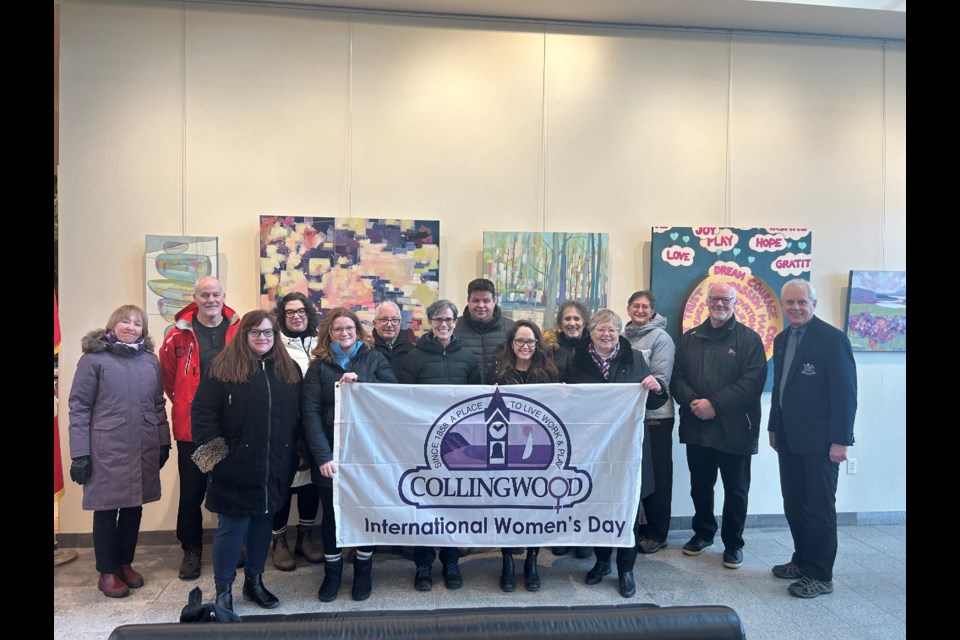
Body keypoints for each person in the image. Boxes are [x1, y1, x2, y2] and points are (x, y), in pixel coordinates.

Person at [190, 310, 303, 612]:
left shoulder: (289, 370)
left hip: (274, 463)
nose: (262, 338)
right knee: (232, 527)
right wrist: (217, 457)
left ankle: (255, 581)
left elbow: (298, 418)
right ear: (243, 335)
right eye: (255, 332)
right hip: (233, 464)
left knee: (263, 524)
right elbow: (202, 414)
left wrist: (297, 454)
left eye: (268, 332)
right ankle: (223, 589)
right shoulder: (222, 368)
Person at [564, 309, 668, 598]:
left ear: (619, 332)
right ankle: (601, 562)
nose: (606, 335)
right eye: (600, 330)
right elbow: (570, 401)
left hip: (628, 448)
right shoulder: (577, 361)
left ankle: (625, 568)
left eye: (612, 329)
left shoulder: (634, 358)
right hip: (594, 448)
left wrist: (656, 386)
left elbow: (654, 399)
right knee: (598, 504)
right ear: (591, 333)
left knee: (627, 508)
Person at [68, 305, 171, 598]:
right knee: (105, 509)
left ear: (143, 330)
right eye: (125, 321)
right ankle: (107, 572)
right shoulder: (94, 360)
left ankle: (125, 563)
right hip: (106, 449)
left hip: (142, 444)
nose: (131, 326)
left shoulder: (150, 361)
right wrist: (80, 453)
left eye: (137, 323)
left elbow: (157, 404)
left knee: (132, 508)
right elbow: (79, 407)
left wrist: (163, 441)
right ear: (112, 325)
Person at [302, 308, 399, 603]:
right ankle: (332, 573)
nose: (344, 334)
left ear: (358, 330)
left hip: (367, 451)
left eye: (349, 329)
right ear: (328, 333)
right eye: (338, 329)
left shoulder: (373, 358)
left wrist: (363, 385)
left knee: (365, 510)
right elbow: (310, 414)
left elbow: (395, 393)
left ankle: (363, 571)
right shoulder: (318, 367)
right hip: (331, 453)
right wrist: (322, 456)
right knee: (331, 514)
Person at [768, 279, 857, 599]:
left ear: (814, 304)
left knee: (819, 507)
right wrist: (773, 427)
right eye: (789, 302)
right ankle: (802, 559)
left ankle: (820, 575)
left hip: (821, 443)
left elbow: (846, 395)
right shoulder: (780, 339)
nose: (795, 307)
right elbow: (780, 390)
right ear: (781, 304)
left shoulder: (832, 340)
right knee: (794, 503)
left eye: (801, 302)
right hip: (788, 440)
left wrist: (841, 441)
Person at [671, 281, 766, 570]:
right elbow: (676, 377)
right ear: (707, 301)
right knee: (701, 485)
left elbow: (752, 383)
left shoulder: (749, 340)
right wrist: (693, 403)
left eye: (726, 299)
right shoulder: (690, 338)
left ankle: (733, 543)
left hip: (736, 428)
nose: (720, 304)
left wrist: (714, 404)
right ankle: (703, 533)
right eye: (715, 299)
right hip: (697, 425)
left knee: (736, 489)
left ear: (735, 302)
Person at [396, 299, 481, 591]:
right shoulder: (414, 357)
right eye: (438, 320)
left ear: (456, 322)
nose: (444, 325)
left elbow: (477, 402)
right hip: (422, 441)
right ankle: (423, 564)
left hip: (458, 445)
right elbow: (403, 401)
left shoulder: (468, 357)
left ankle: (451, 561)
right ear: (429, 322)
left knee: (453, 502)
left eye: (449, 320)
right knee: (423, 502)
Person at [159, 276, 240, 580]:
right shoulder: (176, 335)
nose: (211, 300)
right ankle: (191, 549)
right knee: (192, 491)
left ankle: (234, 543)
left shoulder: (238, 329)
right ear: (195, 297)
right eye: (204, 295)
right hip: (193, 428)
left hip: (231, 426)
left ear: (223, 296)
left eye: (216, 294)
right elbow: (169, 381)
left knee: (229, 487)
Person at [486, 320, 560, 593]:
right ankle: (507, 560)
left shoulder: (549, 371)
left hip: (539, 449)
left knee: (535, 503)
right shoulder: (499, 371)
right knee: (507, 501)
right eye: (519, 341)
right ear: (511, 344)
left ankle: (532, 559)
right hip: (506, 447)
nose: (525, 347)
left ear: (537, 344)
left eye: (530, 341)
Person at [270, 292, 323, 570]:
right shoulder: (273, 344)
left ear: (309, 313)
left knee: (311, 483)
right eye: (289, 312)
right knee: (284, 483)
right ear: (282, 316)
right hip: (284, 428)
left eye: (300, 311)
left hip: (314, 425)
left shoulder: (320, 343)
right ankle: (279, 542)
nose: (296, 316)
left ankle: (306, 536)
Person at [624, 290, 677, 555]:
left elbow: (660, 378)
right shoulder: (622, 336)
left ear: (653, 310)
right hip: (631, 419)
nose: (640, 310)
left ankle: (658, 532)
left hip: (656, 416)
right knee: (637, 475)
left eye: (645, 306)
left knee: (658, 476)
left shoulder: (661, 338)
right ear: (628, 308)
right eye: (636, 306)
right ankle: (640, 527)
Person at [541, 300, 592, 559]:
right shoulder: (549, 348)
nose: (572, 323)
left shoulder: (594, 346)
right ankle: (560, 532)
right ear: (560, 322)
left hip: (586, 424)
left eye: (577, 318)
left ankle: (582, 535)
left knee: (582, 478)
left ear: (585, 321)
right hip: (557, 422)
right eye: (567, 318)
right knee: (558, 480)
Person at [453, 277, 515, 377]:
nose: (481, 305)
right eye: (476, 300)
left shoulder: (512, 329)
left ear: (494, 301)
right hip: (465, 391)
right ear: (468, 300)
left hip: (501, 390)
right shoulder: (453, 328)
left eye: (486, 301)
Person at [372, 300, 416, 367]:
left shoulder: (412, 351)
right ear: (375, 323)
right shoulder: (366, 349)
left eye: (394, 320)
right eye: (384, 320)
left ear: (400, 323)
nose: (389, 324)